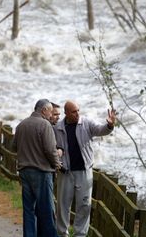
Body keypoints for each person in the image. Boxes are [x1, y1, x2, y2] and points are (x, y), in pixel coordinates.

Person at [54, 101, 116, 237]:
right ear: (66, 113)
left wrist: (110, 125)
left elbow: (101, 130)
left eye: (78, 110)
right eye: (74, 112)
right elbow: (53, 147)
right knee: (63, 206)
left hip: (84, 171)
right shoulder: (58, 127)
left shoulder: (86, 123)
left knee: (84, 205)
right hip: (66, 172)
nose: (77, 114)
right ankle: (61, 233)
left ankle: (80, 234)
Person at [11, 99, 61, 237]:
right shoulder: (45, 125)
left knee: (28, 209)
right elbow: (50, 150)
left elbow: (13, 147)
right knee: (46, 209)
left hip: (24, 171)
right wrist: (57, 164)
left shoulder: (21, 124)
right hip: (41, 171)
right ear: (44, 110)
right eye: (51, 111)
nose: (51, 114)